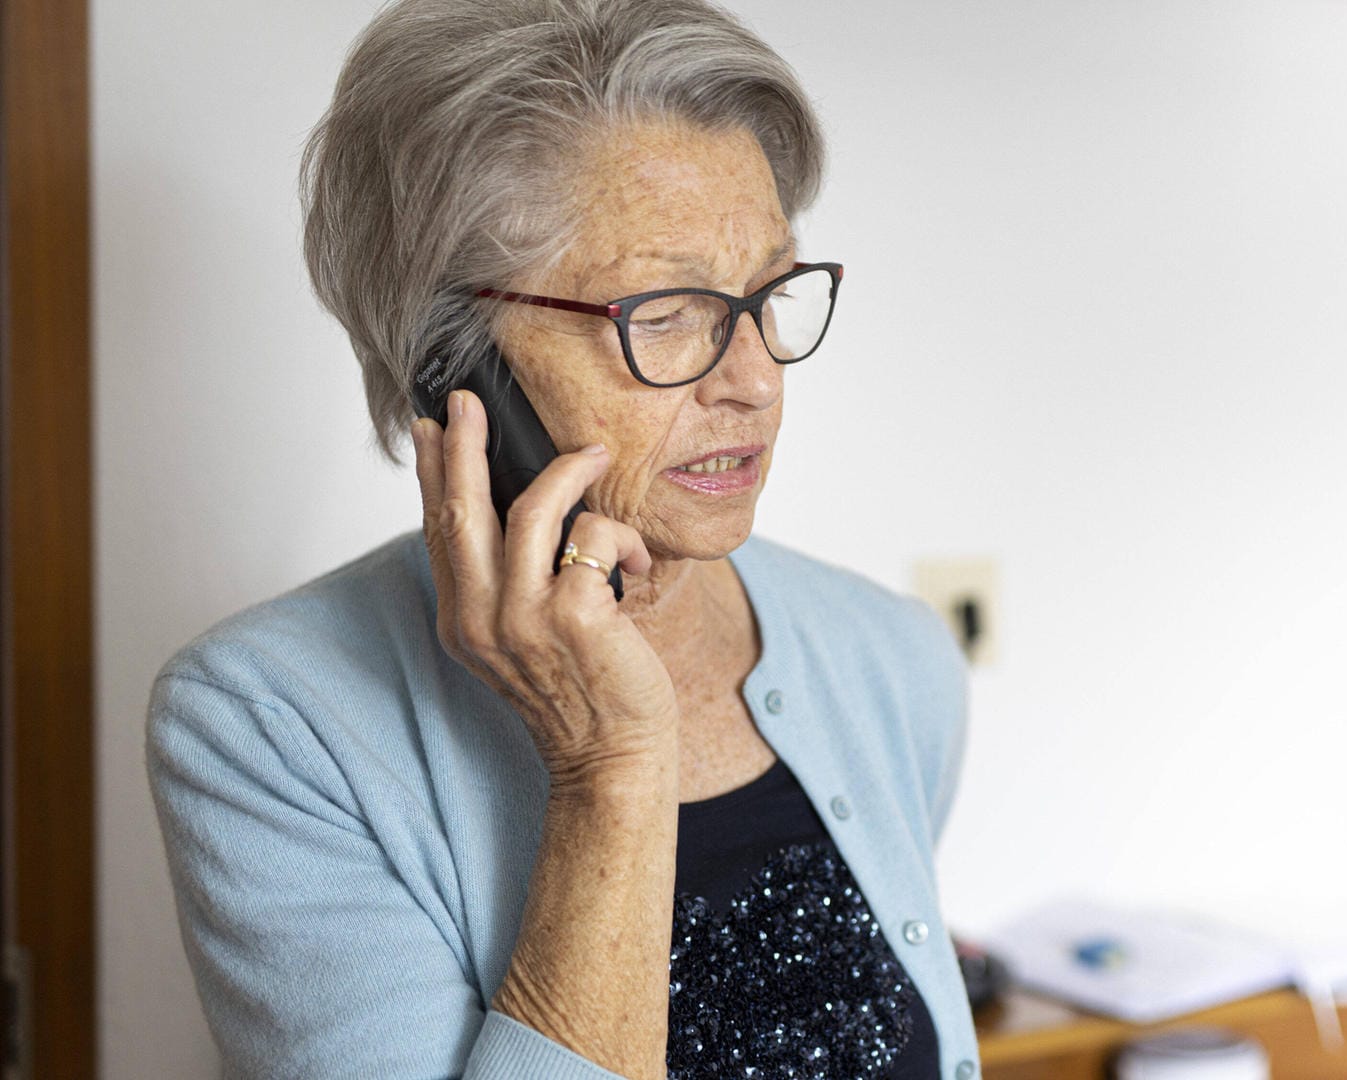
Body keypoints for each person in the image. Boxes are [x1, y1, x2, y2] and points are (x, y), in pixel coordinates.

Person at [144, 2, 976, 1077]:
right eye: (664, 312)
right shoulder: (266, 728)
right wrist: (610, 768)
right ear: (457, 365)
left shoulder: (889, 658)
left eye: (769, 291)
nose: (756, 380)